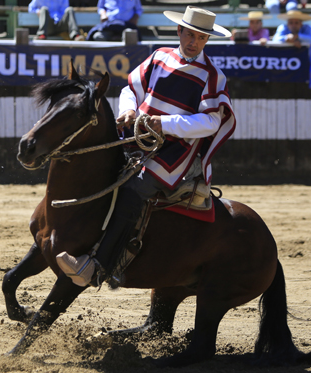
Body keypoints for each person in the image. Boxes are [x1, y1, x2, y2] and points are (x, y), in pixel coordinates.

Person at [56, 7, 236, 287]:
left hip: (174, 152)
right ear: (179, 31)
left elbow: (211, 122)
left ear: (207, 40)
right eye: (190, 34)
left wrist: (165, 124)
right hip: (137, 135)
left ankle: (98, 266)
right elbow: (131, 89)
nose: (194, 42)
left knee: (133, 188)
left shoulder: (212, 77)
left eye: (201, 38)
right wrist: (128, 110)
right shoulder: (159, 56)